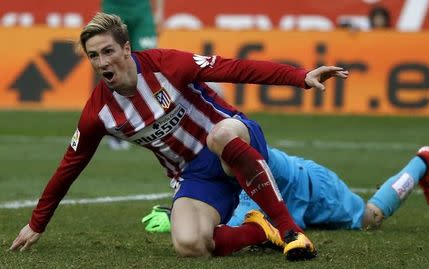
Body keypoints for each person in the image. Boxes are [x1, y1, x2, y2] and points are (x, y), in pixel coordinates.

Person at [9, 12, 350, 261]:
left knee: (219, 135)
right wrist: (37, 224)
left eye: (108, 51)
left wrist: (300, 77)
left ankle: (291, 231)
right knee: (190, 245)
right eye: (94, 56)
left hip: (233, 137)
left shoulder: (167, 65)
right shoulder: (99, 112)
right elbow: (70, 165)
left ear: (126, 49)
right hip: (195, 175)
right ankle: (260, 229)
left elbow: (235, 68)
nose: (101, 62)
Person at [143, 146, 429, 233]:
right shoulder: (210, 157)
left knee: (370, 218)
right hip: (284, 187)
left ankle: (422, 163)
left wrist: (179, 221)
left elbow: (235, 224)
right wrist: (178, 210)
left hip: (312, 187)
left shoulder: (244, 165)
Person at [102, 0, 159, 150]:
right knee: (115, 66)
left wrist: (159, 11)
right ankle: (116, 127)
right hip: (114, 7)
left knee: (147, 63)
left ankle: (150, 123)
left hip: (142, 9)